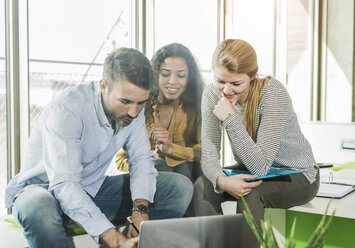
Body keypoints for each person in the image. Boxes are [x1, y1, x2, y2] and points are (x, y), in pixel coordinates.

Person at [4, 47, 193, 248]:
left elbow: (141, 161)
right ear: (104, 85)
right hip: (44, 191)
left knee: (179, 188)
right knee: (38, 208)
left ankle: (138, 242)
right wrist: (112, 237)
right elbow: (65, 184)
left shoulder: (134, 109)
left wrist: (140, 210)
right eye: (125, 101)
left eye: (141, 103)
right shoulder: (68, 109)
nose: (133, 111)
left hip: (91, 190)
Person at [193, 39, 319, 247]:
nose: (226, 90)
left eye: (236, 84)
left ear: (252, 77)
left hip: (298, 174)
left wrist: (230, 118)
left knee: (251, 194)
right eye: (220, 81)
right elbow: (209, 155)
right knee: (203, 185)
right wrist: (222, 181)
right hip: (252, 167)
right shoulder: (211, 94)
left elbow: (261, 166)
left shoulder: (272, 93)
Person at [116, 43, 204, 183]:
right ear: (156, 75)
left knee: (183, 167)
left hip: (189, 173)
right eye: (165, 74)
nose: (172, 81)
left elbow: (206, 152)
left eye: (181, 75)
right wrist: (150, 157)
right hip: (149, 175)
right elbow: (121, 160)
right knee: (160, 165)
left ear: (189, 78)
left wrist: (171, 150)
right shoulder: (140, 106)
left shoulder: (198, 107)